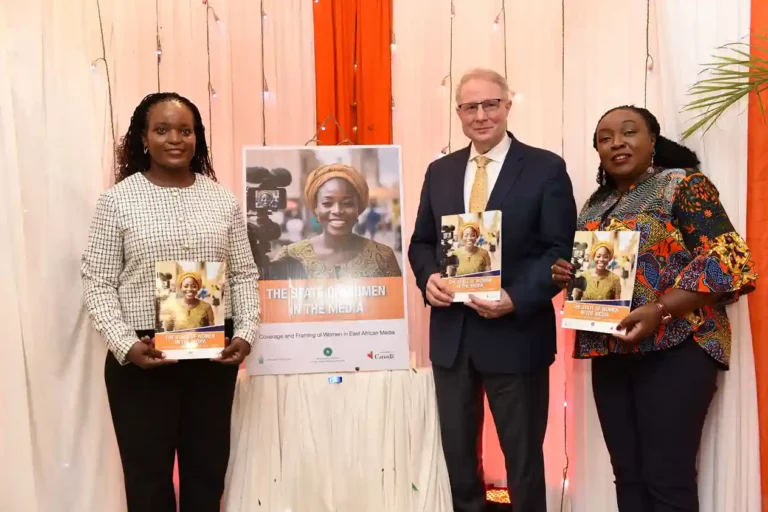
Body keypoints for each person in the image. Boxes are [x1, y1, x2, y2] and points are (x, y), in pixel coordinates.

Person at [551, 105, 756, 512]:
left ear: (652, 141)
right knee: (628, 475)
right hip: (611, 351)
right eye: (605, 138)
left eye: (629, 133)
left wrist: (660, 310)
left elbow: (731, 260)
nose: (617, 143)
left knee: (668, 477)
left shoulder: (682, 185)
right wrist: (570, 274)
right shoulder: (595, 203)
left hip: (678, 348)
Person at [81, 92, 260, 512]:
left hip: (212, 354)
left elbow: (245, 273)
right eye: (162, 130)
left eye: (185, 130)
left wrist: (247, 332)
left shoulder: (222, 199)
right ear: (144, 138)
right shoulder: (117, 201)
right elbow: (98, 281)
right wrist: (126, 345)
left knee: (207, 474)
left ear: (197, 137)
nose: (175, 139)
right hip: (143, 356)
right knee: (148, 482)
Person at [408, 68, 577, 512]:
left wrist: (516, 298)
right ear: (459, 112)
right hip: (452, 340)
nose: (481, 115)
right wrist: (428, 279)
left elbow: (559, 250)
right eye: (470, 107)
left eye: (490, 104)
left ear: (507, 104)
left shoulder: (545, 168)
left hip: (516, 336)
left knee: (522, 463)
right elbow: (422, 242)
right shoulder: (440, 171)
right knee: (459, 463)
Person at [274, 163, 402, 278]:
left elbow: (396, 302)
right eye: (327, 203)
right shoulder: (290, 256)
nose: (337, 210)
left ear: (359, 208)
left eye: (347, 203)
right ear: (316, 208)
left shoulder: (383, 256)